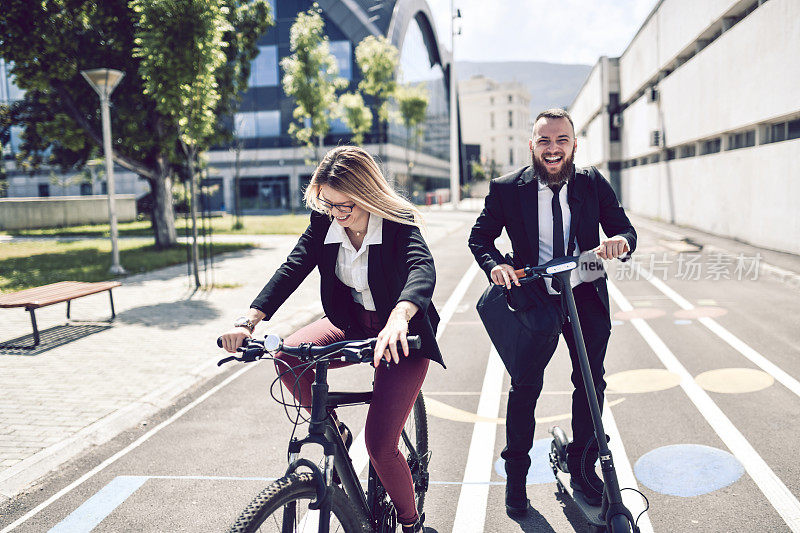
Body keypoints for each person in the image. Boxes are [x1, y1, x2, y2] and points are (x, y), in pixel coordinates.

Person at [219, 145, 441, 533]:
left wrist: (400, 316)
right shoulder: (325, 220)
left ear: (367, 192)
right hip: (351, 325)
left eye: (346, 206)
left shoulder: (398, 222)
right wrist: (248, 321)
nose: (337, 214)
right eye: (329, 204)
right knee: (287, 356)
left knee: (380, 446)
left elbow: (420, 269)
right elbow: (293, 266)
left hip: (401, 336)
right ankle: (336, 433)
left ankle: (411, 523)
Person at [468, 108, 637, 517]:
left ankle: (582, 466)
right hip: (534, 299)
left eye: (561, 140)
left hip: (585, 294)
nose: (553, 148)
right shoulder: (507, 189)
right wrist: (496, 265)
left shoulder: (592, 183)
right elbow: (480, 238)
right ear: (532, 146)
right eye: (544, 141)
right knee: (525, 389)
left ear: (574, 145)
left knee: (591, 384)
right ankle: (516, 480)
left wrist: (618, 241)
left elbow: (624, 230)